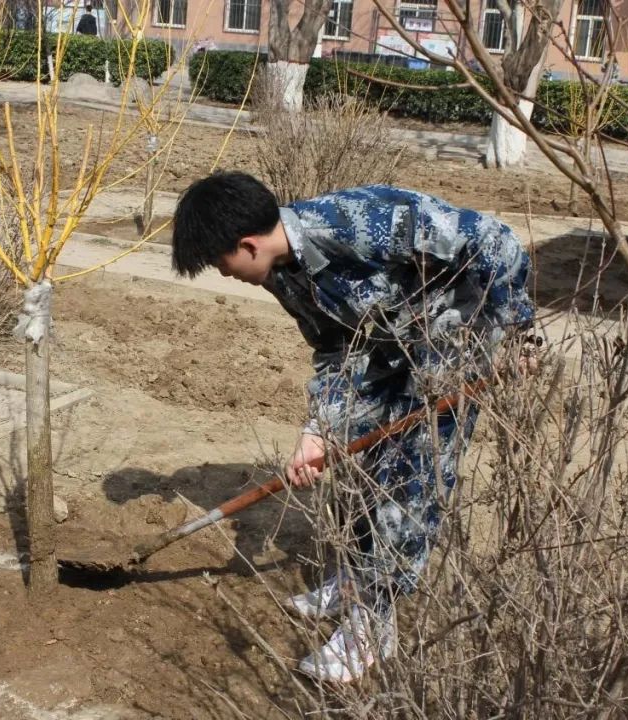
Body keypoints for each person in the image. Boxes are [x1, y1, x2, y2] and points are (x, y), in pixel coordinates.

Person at [171, 172, 534, 683]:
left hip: (453, 349)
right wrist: (319, 429)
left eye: (219, 262)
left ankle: (372, 627)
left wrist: (520, 333)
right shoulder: (282, 271)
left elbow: (495, 241)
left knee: (411, 484)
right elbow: (336, 347)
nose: (221, 273)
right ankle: (356, 580)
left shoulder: (361, 224)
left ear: (247, 244)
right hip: (391, 352)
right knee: (365, 470)